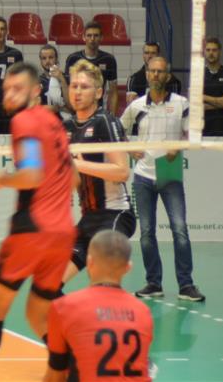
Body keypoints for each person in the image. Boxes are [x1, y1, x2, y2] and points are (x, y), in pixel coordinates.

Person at [0, 62, 74, 382]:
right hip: (63, 233)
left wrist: (3, 178)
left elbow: (31, 175)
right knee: (37, 313)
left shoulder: (24, 121)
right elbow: (73, 178)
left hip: (32, 231)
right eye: (6, 89)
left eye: (17, 89)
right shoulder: (54, 122)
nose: (9, 95)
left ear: (36, 91)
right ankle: (73, 368)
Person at [120, 55, 205, 301]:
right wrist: (129, 149)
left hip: (170, 176)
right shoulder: (136, 105)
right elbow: (118, 129)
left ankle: (186, 285)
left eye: (160, 71)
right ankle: (153, 283)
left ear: (167, 76)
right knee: (146, 233)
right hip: (142, 177)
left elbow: (193, 134)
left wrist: (178, 146)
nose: (155, 75)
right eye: (152, 71)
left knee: (180, 229)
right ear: (147, 74)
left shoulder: (181, 103)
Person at [43, 230, 154, 382]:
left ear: (89, 262)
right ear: (128, 268)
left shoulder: (64, 307)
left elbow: (55, 376)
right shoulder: (143, 312)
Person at [63, 60, 135, 286]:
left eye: (84, 87)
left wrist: (77, 165)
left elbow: (122, 172)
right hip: (88, 218)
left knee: (102, 279)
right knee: (48, 284)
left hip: (114, 214)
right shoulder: (67, 127)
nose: (77, 92)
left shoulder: (105, 121)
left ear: (98, 92)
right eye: (74, 86)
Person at [64, 22, 119, 115]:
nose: (92, 39)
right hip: (77, 110)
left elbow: (113, 91)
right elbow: (67, 87)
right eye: (89, 35)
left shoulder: (109, 59)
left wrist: (113, 116)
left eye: (96, 35)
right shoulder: (73, 58)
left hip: (99, 109)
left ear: (101, 38)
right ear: (84, 37)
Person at [37, 44, 68, 117]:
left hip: (64, 121)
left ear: (56, 59)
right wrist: (50, 108)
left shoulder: (66, 78)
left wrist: (62, 80)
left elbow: (72, 107)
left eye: (51, 57)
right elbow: (32, 108)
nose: (47, 61)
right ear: (40, 61)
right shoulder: (37, 81)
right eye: (44, 58)